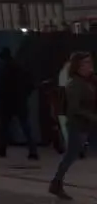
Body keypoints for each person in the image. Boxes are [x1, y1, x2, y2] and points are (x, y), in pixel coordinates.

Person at [50, 51, 96, 200]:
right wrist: (93, 117)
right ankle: (56, 182)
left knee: (72, 155)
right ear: (78, 66)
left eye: (90, 62)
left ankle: (56, 183)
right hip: (78, 125)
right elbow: (74, 109)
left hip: (87, 124)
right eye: (86, 63)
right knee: (71, 155)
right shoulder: (75, 84)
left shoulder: (89, 81)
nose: (90, 65)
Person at [0, 47, 38, 159]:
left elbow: (1, 88)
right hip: (20, 101)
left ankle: (1, 149)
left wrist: (0, 99)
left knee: (4, 127)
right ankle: (33, 151)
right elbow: (31, 84)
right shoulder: (21, 68)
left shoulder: (3, 69)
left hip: (7, 103)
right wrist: (25, 95)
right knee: (26, 127)